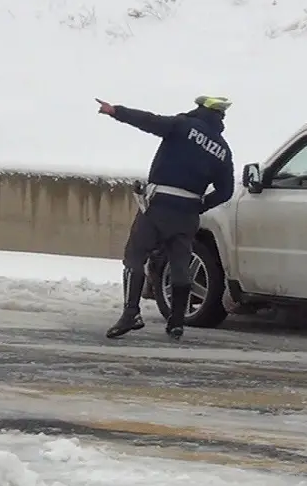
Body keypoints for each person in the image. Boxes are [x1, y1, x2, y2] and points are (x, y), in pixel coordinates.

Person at [95, 95, 235, 340]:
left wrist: (116, 111)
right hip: (187, 214)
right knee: (180, 265)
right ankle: (177, 322)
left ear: (201, 110)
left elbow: (149, 121)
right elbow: (226, 191)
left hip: (158, 207)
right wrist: (198, 206)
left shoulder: (183, 125)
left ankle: (131, 313)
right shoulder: (223, 151)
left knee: (134, 256)